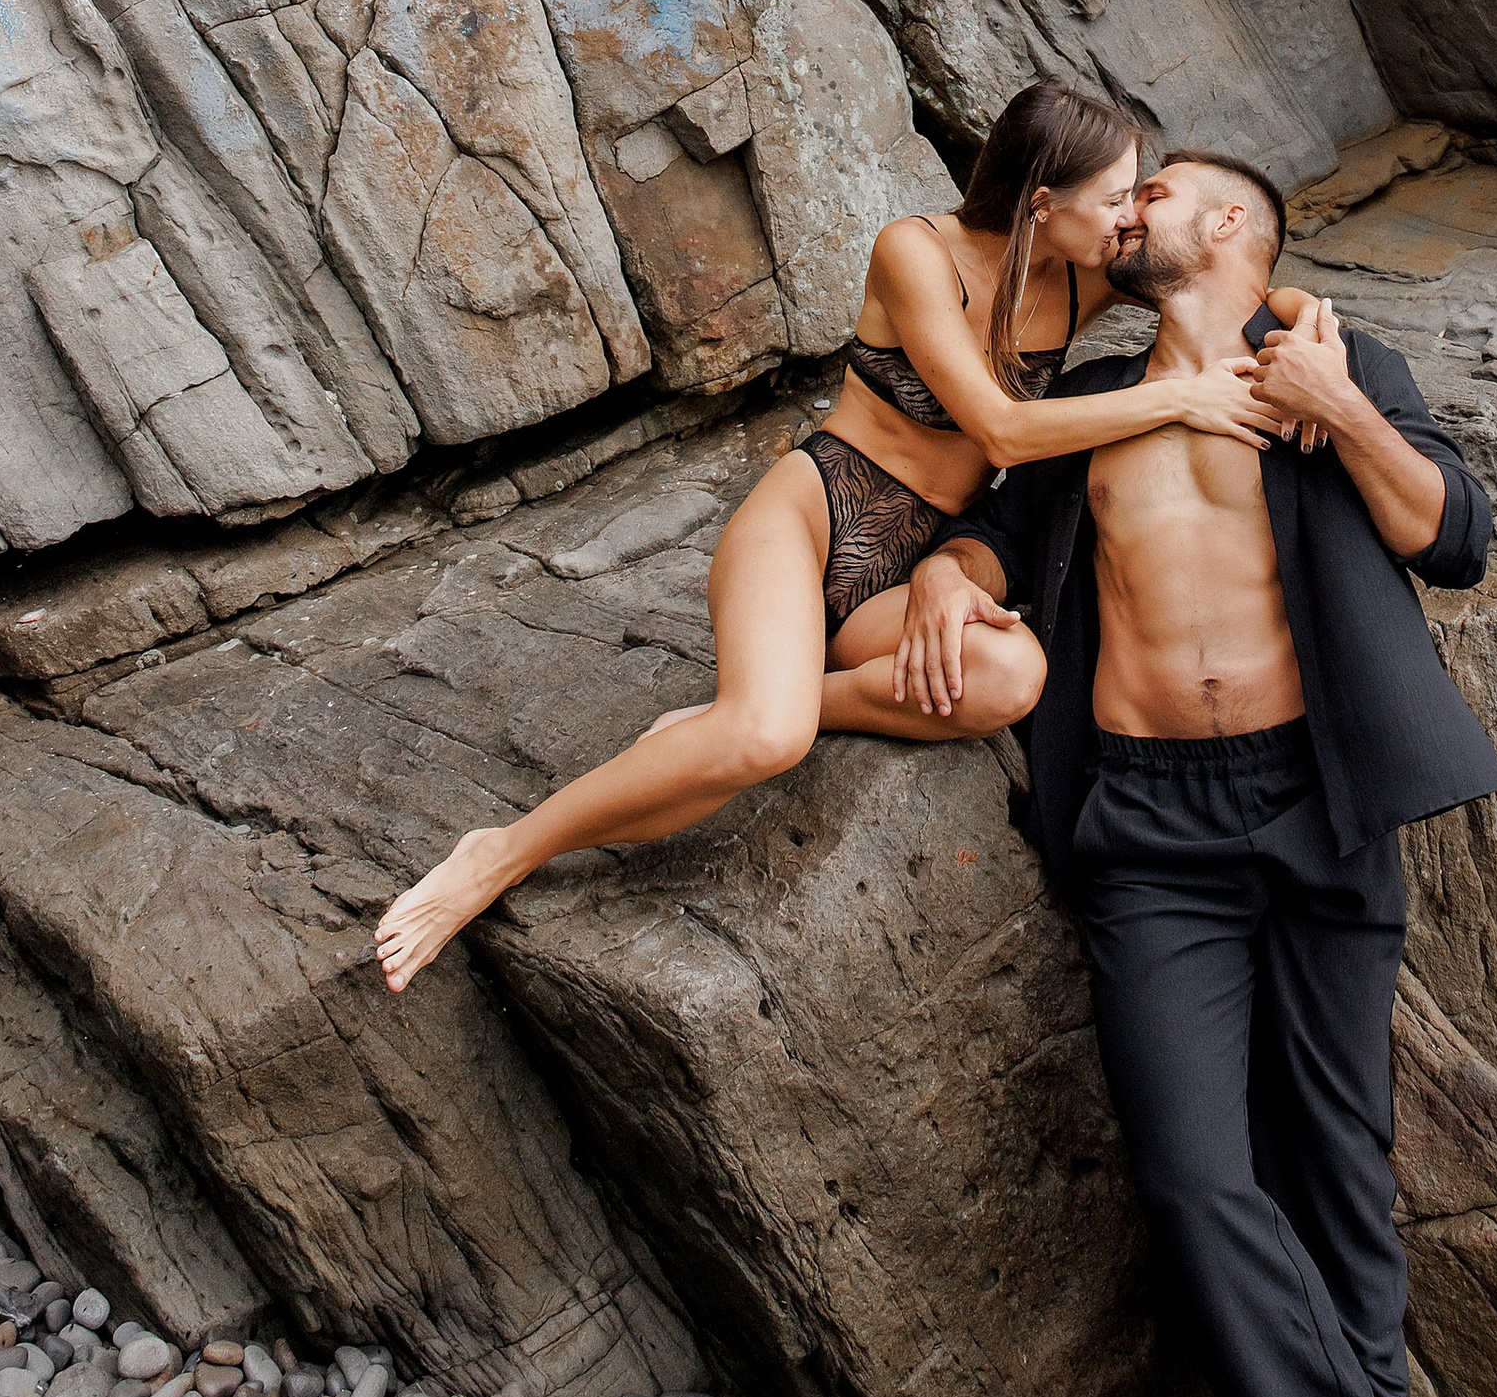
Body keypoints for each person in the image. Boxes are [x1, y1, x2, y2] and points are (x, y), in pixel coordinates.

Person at [949, 149, 1497, 1397]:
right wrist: (943, 575)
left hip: (1314, 804)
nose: (1136, 209)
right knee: (1201, 1176)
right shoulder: (1107, 395)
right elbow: (1004, 533)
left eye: (1167, 186)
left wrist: (1341, 406)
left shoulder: (1333, 360)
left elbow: (1450, 534)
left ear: (1238, 230)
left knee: (1338, 1165)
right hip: (1152, 831)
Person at [373, 79, 1289, 991]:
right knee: (762, 746)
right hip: (816, 514)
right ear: (1044, 203)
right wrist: (1174, 397)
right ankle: (500, 852)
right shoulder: (916, 253)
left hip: (913, 562)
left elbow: (1226, 282)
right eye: (1116, 195)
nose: (1131, 216)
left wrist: (1307, 326)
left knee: (1010, 675)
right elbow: (1000, 432)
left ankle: (766, 705)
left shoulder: (1084, 274)